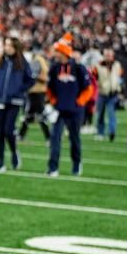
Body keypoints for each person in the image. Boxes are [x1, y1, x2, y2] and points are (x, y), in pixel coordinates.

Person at [45, 38, 93, 176]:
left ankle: (76, 164)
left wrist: (79, 102)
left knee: (74, 138)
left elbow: (88, 89)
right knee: (55, 139)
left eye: (57, 51)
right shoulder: (54, 68)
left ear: (63, 52)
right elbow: (50, 88)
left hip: (75, 111)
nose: (55, 54)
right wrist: (54, 101)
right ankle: (53, 167)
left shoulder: (78, 68)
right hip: (59, 110)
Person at [0, 36, 35, 171]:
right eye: (6, 45)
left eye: (10, 45)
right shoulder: (0, 61)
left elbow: (30, 80)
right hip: (0, 100)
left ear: (16, 48)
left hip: (14, 101)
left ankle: (14, 153)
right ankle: (0, 162)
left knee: (9, 130)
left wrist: (19, 90)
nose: (7, 48)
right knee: (1, 132)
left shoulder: (22, 63)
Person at [19, 43, 50, 142]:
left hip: (36, 90)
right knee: (35, 114)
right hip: (37, 90)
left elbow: (33, 74)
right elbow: (35, 74)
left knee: (34, 114)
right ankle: (48, 137)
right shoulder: (40, 60)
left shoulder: (38, 60)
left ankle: (21, 135)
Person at [94, 49, 123, 141]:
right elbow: (94, 78)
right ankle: (100, 132)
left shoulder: (117, 65)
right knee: (100, 115)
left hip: (113, 93)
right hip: (102, 93)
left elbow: (120, 78)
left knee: (111, 114)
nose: (108, 57)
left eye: (110, 55)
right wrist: (99, 86)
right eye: (106, 55)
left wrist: (120, 91)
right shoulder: (98, 65)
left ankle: (112, 132)